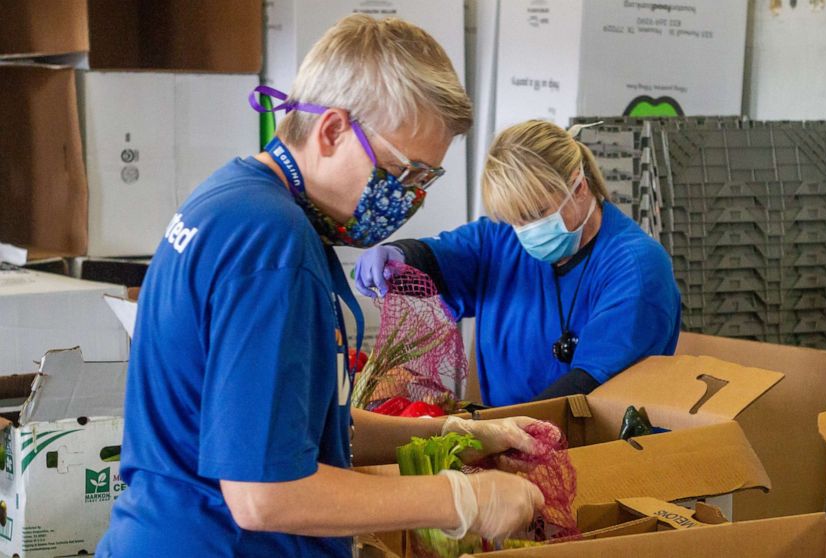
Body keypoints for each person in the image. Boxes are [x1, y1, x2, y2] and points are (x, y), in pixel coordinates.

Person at [97, 16, 545, 558]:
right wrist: (460, 499)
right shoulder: (273, 248)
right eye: (405, 176)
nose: (411, 201)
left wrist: (456, 434)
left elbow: (303, 420)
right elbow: (264, 494)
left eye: (427, 182)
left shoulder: (234, 201)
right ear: (332, 131)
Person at [355, 120, 681, 407]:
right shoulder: (501, 241)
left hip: (600, 450)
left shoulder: (635, 267)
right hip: (513, 435)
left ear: (579, 187)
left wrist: (506, 431)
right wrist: (400, 256)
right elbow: (442, 258)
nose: (526, 232)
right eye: (514, 219)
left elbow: (591, 387)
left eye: (537, 214)